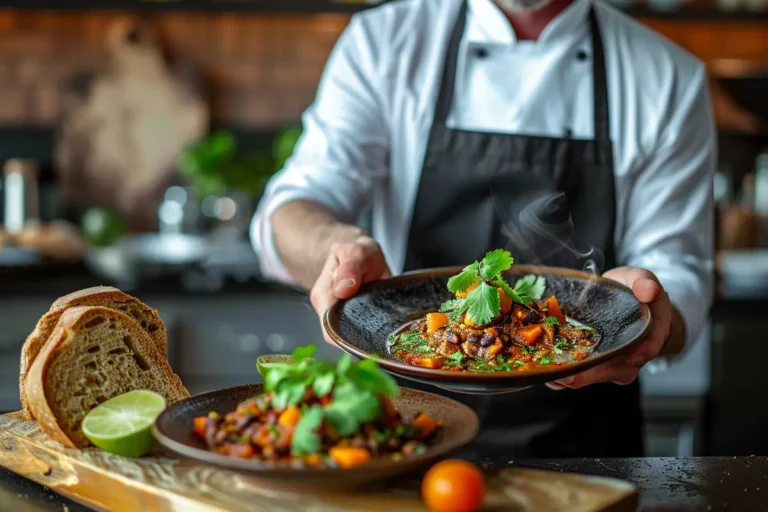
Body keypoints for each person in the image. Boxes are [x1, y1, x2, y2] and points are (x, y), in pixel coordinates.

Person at [250, 0, 714, 457]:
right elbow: (294, 205)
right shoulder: (385, 42)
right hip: (404, 434)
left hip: (587, 448)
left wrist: (645, 309)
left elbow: (679, 273)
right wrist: (336, 247)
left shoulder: (665, 75)